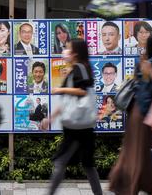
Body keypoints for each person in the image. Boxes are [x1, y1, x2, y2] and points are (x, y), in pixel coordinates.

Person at [42, 38, 102, 195]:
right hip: (80, 124)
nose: (65, 51)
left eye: (68, 48)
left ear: (75, 53)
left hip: (77, 125)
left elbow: (82, 91)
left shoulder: (80, 68)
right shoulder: (76, 69)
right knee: (88, 164)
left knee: (62, 161)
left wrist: (61, 90)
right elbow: (67, 102)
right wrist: (51, 117)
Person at [109, 33, 152, 195]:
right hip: (147, 114)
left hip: (137, 112)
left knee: (136, 151)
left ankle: (134, 184)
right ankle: (134, 185)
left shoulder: (143, 61)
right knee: (141, 152)